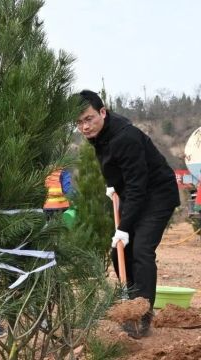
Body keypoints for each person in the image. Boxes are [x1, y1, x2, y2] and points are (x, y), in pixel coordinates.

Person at [76, 90, 180, 338]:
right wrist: (112, 184)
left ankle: (142, 314)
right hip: (134, 193)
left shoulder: (125, 137)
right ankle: (132, 301)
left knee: (141, 248)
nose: (84, 127)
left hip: (157, 193)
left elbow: (138, 185)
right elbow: (118, 168)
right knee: (119, 250)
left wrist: (124, 227)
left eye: (88, 118)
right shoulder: (101, 135)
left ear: (103, 112)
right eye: (79, 122)